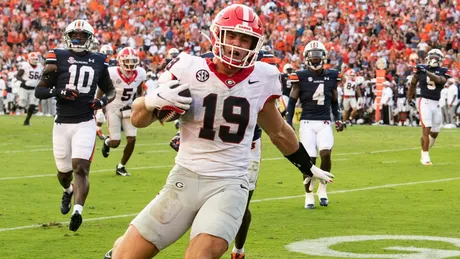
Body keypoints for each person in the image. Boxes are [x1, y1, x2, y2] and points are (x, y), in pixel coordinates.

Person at [103, 4, 333, 259]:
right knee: (125, 255)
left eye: (244, 39)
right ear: (217, 35)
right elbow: (138, 119)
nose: (236, 44)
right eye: (231, 35)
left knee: (200, 255)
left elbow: (278, 131)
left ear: (254, 45)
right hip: (184, 178)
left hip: (230, 183)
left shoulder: (263, 76)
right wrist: (149, 101)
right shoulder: (187, 67)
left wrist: (306, 165)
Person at [168, 50, 277, 259]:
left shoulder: (261, 72)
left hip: (248, 145)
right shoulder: (210, 64)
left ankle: (238, 250)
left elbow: (275, 123)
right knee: (189, 195)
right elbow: (200, 110)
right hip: (210, 145)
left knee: (242, 205)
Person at [34, 19, 116, 231]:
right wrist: (59, 91)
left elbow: (110, 90)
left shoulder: (99, 59)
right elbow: (40, 90)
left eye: (82, 36)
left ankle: (77, 211)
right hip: (61, 123)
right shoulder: (57, 56)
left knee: (81, 167)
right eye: (74, 36)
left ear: (89, 39)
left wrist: (101, 102)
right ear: (68, 37)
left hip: (85, 122)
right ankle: (68, 191)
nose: (77, 39)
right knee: (63, 173)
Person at [286, 40, 343, 209]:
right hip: (307, 122)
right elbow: (291, 101)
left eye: (318, 56)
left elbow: (334, 101)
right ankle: (308, 194)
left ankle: (322, 189)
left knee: (325, 154)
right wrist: (288, 122)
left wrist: (338, 118)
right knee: (309, 159)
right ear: (307, 57)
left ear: (323, 57)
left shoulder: (332, 75)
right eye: (313, 56)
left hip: (324, 121)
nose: (316, 59)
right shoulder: (300, 76)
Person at [100, 47, 146, 176]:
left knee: (132, 139)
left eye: (133, 60)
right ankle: (107, 142)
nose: (130, 64)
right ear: (120, 61)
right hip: (113, 107)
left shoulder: (141, 73)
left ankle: (121, 166)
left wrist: (139, 102)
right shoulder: (112, 72)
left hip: (129, 108)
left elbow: (139, 89)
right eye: (127, 60)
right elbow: (102, 89)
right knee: (115, 143)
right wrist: (99, 107)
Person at [407, 48, 450, 165]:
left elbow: (440, 80)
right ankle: (425, 157)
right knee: (426, 128)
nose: (434, 59)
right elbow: (413, 84)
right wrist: (409, 98)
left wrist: (426, 72)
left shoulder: (443, 70)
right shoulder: (421, 69)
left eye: (436, 57)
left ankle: (423, 151)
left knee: (435, 132)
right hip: (424, 101)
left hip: (436, 103)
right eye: (432, 57)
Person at [96, 44, 118, 140]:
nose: (109, 55)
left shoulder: (114, 62)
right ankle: (96, 128)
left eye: (110, 53)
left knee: (105, 111)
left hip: (110, 87)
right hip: (99, 86)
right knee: (99, 112)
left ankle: (97, 128)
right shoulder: (99, 61)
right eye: (107, 53)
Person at [16, 52, 44, 125]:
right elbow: (17, 76)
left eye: (36, 59)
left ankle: (27, 121)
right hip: (24, 87)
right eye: (33, 59)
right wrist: (25, 81)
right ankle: (16, 106)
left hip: (34, 88)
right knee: (23, 103)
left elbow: (43, 77)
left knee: (33, 104)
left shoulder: (40, 66)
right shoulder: (25, 65)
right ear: (29, 59)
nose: (35, 60)